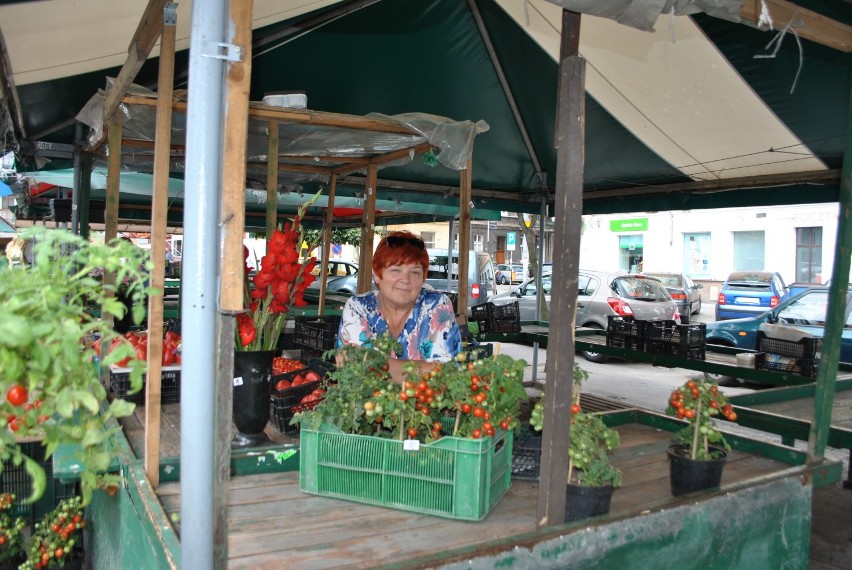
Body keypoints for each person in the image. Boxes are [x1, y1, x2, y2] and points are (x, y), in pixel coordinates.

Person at [336, 231, 462, 383]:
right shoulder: (358, 307)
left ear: (423, 277)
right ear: (377, 274)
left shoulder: (437, 305)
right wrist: (425, 370)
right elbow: (353, 373)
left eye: (415, 272)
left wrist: (374, 366)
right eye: (395, 270)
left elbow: (447, 375)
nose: (406, 280)